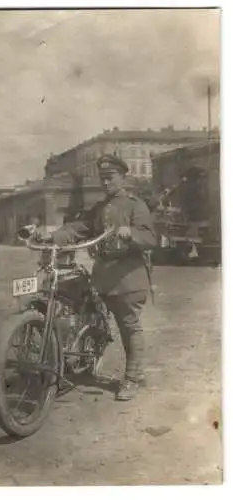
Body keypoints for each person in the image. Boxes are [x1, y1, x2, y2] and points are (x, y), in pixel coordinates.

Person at [40, 153, 157, 401]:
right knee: (81, 310)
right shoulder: (100, 208)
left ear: (123, 178)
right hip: (103, 276)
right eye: (102, 178)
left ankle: (133, 378)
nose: (105, 182)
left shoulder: (136, 205)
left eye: (110, 177)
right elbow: (77, 228)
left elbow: (150, 239)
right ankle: (77, 360)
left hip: (128, 278)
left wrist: (131, 233)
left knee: (129, 325)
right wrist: (53, 235)